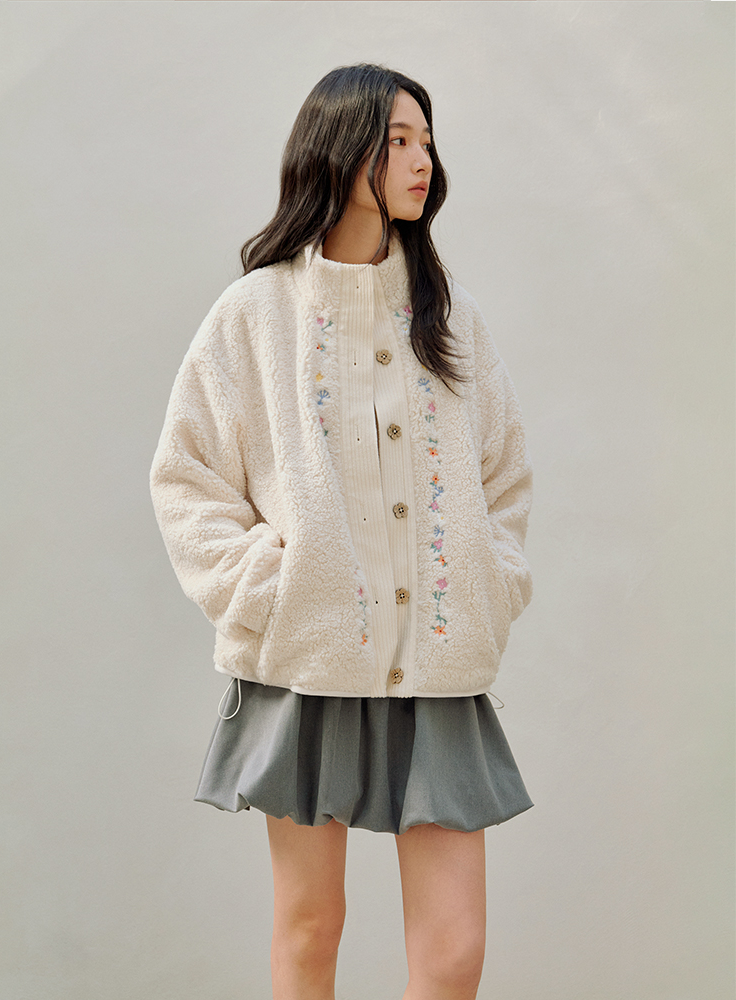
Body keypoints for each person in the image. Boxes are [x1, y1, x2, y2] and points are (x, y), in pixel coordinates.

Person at [150, 63, 533, 1000]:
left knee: (454, 950)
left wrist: (489, 580)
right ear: (339, 148)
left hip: (439, 665)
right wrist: (270, 590)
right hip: (308, 661)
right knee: (311, 925)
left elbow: (504, 476)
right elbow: (187, 477)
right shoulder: (255, 314)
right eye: (398, 140)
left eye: (426, 140)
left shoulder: (451, 316)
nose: (421, 160)